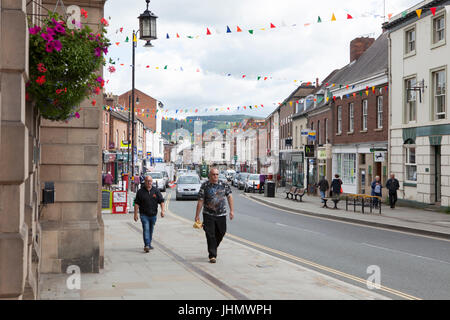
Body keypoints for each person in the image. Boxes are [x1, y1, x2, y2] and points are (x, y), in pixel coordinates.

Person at [195, 168, 234, 264]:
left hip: (221, 214)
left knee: (221, 232)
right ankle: (212, 255)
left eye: (217, 174)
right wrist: (197, 215)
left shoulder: (224, 185)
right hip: (208, 214)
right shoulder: (205, 186)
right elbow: (200, 200)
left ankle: (213, 247)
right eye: (213, 174)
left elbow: (229, 197)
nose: (215, 176)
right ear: (209, 175)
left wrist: (231, 211)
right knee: (210, 234)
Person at [134, 175, 165, 253]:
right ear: (145, 182)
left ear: (152, 182)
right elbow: (137, 203)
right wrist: (135, 214)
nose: (149, 183)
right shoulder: (140, 191)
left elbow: (161, 201)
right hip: (144, 214)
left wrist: (162, 211)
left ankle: (149, 244)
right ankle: (147, 245)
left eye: (150, 181)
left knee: (151, 230)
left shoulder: (156, 191)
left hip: (153, 215)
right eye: (147, 181)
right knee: (146, 229)